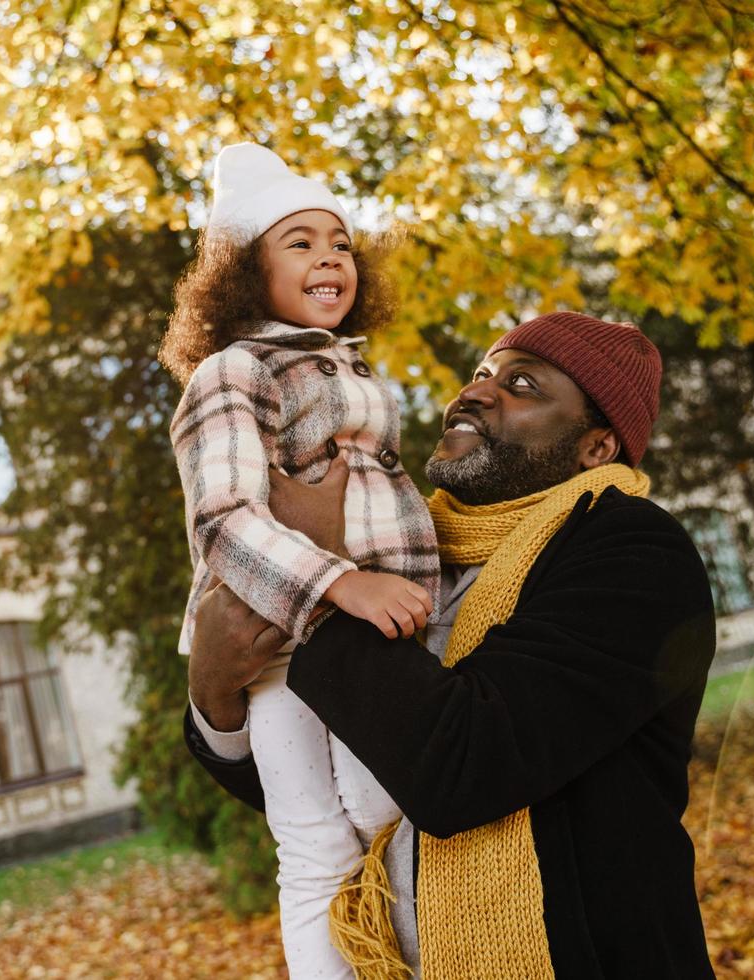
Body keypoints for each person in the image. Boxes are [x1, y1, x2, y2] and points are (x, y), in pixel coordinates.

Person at [186, 312, 719, 978]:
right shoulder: (407, 554)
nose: (475, 392)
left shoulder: (632, 553)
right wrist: (214, 690)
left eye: (522, 384)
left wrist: (320, 576)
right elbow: (332, 780)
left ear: (597, 448)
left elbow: (463, 765)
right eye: (481, 373)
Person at [162, 143, 440, 977]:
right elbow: (221, 515)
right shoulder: (232, 370)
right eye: (299, 241)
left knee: (384, 811)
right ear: (247, 270)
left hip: (375, 635)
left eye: (341, 241)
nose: (329, 256)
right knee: (317, 841)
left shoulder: (350, 366)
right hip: (280, 640)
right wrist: (340, 581)